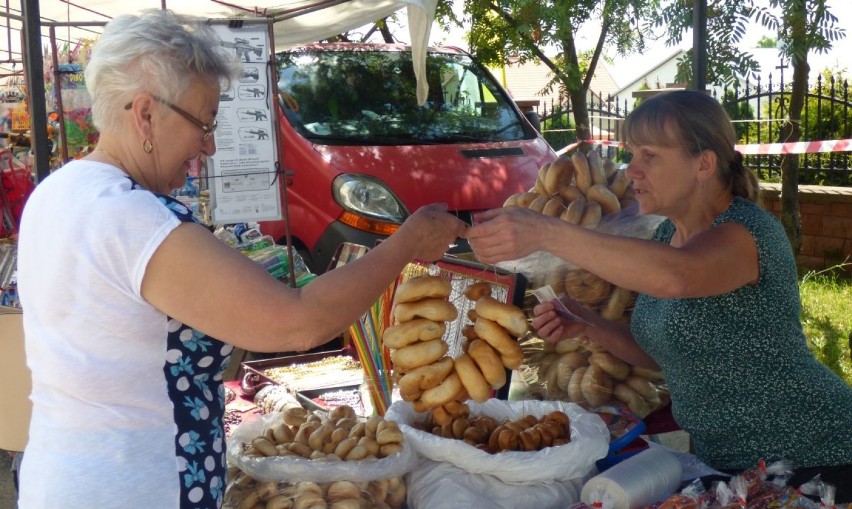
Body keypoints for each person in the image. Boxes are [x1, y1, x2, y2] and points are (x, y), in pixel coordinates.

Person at [15, 10, 466, 509]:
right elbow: (297, 322)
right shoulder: (134, 218)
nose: (208, 145)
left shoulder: (58, 193)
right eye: (202, 122)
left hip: (63, 477)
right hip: (135, 489)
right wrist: (404, 244)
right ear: (144, 114)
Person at [467, 90, 852, 502]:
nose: (632, 170)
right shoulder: (669, 234)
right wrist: (586, 324)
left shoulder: (747, 233)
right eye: (631, 154)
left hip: (814, 452)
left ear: (703, 164)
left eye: (648, 155)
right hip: (731, 465)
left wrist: (544, 232)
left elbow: (678, 277)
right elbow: (665, 353)